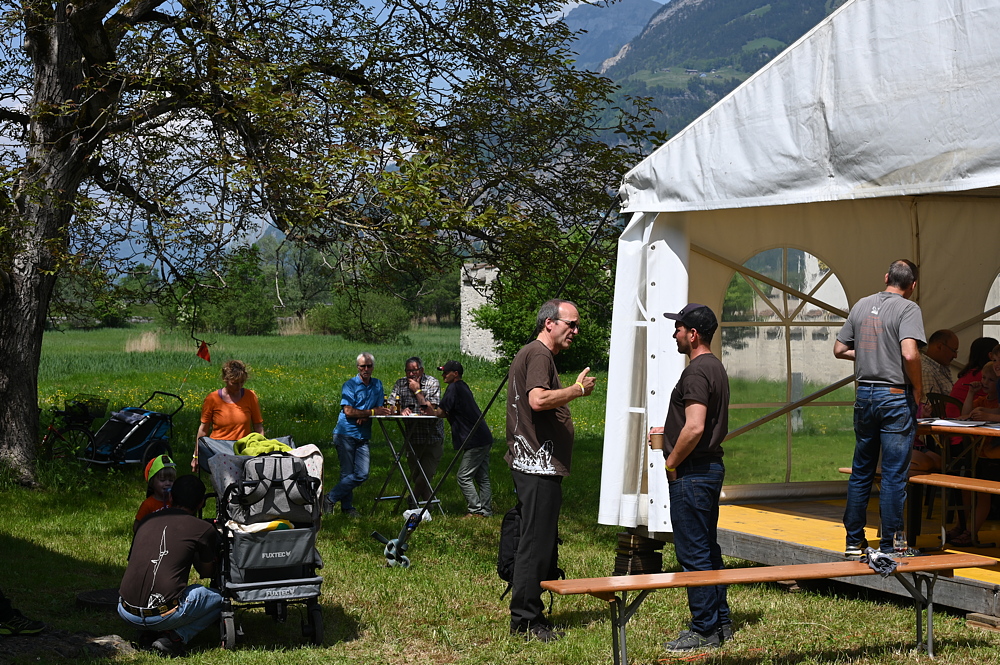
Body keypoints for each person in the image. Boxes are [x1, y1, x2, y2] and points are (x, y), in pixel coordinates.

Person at [506, 299, 595, 642]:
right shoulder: (540, 354)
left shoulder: (534, 353)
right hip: (535, 465)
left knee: (537, 540)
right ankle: (526, 620)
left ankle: (530, 613)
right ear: (549, 323)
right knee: (535, 543)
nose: (575, 331)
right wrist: (576, 390)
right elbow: (538, 400)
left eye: (576, 325)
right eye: (570, 324)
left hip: (535, 464)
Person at [835, 259, 925, 556]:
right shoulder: (908, 308)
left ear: (886, 277)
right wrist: (919, 388)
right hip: (895, 396)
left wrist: (869, 354)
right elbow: (910, 354)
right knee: (893, 475)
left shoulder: (861, 305)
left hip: (865, 396)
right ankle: (891, 545)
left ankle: (853, 541)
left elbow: (839, 348)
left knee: (861, 470)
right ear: (912, 285)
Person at [660, 304, 733, 653]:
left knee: (694, 553)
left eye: (679, 328)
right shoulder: (714, 367)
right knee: (708, 547)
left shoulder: (695, 372)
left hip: (693, 472)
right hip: (709, 468)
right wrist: (668, 430)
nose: (674, 333)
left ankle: (703, 628)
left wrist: (672, 462)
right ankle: (721, 621)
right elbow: (694, 422)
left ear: (693, 334)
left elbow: (695, 426)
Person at [118, 474, 221, 656]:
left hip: (126, 610)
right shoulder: (203, 529)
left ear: (171, 497)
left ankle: (149, 633)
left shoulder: (147, 520)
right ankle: (174, 637)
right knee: (220, 600)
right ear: (201, 504)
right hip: (163, 614)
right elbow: (207, 571)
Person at [323, 352, 389, 518]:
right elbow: (348, 411)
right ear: (357, 367)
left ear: (373, 367)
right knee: (347, 473)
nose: (366, 369)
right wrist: (368, 412)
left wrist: (366, 414)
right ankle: (347, 507)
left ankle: (330, 498)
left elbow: (380, 408)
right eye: (362, 366)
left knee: (362, 473)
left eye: (369, 366)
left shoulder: (377, 385)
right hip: (345, 433)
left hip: (363, 435)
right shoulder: (350, 385)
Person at [433, 360, 493, 517]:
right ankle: (486, 511)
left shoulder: (453, 387)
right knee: (482, 477)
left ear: (456, 374)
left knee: (463, 476)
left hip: (474, 440)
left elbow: (440, 412)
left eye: (446, 372)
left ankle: (476, 510)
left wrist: (428, 408)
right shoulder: (462, 386)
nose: (443, 375)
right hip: (483, 436)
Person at [388, 357, 444, 506]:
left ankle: (412, 500)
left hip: (431, 436)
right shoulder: (400, 383)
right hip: (412, 438)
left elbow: (431, 410)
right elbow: (391, 406)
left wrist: (417, 390)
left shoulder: (432, 383)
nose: (412, 374)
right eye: (409, 371)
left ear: (421, 370)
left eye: (415, 370)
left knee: (426, 474)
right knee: (416, 475)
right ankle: (429, 506)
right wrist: (399, 410)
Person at [192, 359, 264, 471]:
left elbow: (258, 428)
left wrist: (261, 450)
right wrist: (196, 455)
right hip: (218, 449)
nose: (239, 386)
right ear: (225, 379)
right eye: (235, 383)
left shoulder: (250, 396)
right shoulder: (212, 399)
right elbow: (203, 430)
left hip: (243, 449)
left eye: (242, 382)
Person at [134, 454, 176, 533]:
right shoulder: (148, 504)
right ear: (152, 482)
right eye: (162, 480)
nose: (167, 483)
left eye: (171, 480)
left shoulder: (175, 501)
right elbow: (136, 526)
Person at [919, 329, 958, 415]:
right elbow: (933, 408)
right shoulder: (926, 371)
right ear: (939, 347)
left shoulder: (941, 367)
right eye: (953, 351)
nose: (955, 356)